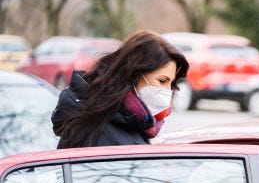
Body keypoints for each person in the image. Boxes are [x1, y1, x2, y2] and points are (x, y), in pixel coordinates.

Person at [52, 30, 189, 148]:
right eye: (162, 81)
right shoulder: (96, 130)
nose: (168, 91)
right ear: (133, 75)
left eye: (172, 84)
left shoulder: (131, 122)